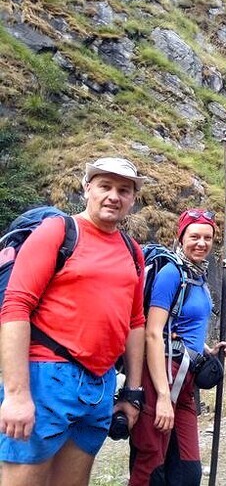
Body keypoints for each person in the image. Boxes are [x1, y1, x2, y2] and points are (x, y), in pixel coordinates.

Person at [0, 156, 147, 486]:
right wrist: (17, 394)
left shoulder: (132, 250)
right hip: (46, 377)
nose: (113, 196)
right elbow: (16, 306)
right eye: (105, 186)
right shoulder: (58, 231)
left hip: (101, 383)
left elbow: (135, 321)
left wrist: (133, 392)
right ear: (87, 189)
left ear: (132, 199)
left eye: (123, 190)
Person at [129, 208, 226, 485]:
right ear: (181, 237)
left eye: (208, 237)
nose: (202, 243)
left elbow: (182, 326)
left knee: (188, 471)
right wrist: (163, 396)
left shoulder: (197, 276)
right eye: (194, 236)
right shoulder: (171, 274)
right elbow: (153, 333)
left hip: (186, 380)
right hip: (161, 377)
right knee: (151, 465)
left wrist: (207, 349)